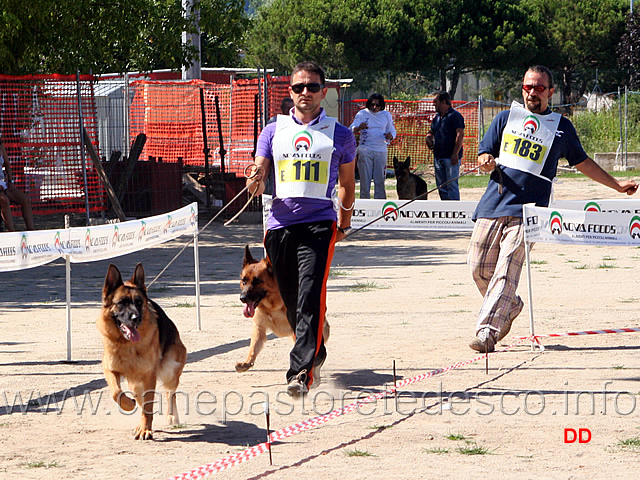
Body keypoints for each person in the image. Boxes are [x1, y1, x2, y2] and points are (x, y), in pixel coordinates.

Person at [468, 65, 638, 353]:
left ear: (551, 92)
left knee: (507, 268)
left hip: (531, 211)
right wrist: (485, 159)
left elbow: (583, 162)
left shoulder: (562, 127)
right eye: (527, 87)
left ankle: (487, 331)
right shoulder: (505, 118)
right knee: (478, 269)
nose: (532, 92)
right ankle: (511, 305)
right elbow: (486, 151)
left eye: (539, 88)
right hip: (493, 203)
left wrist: (617, 185)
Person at [248, 61, 356, 397]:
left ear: (324, 92)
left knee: (311, 294)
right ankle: (316, 354)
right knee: (293, 302)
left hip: (319, 225)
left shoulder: (341, 134)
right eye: (298, 87)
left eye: (312, 87)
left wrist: (345, 223)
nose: (305, 93)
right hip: (279, 226)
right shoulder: (272, 131)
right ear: (290, 92)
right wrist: (254, 177)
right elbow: (259, 174)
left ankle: (300, 373)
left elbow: (347, 185)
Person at [349, 93, 396, 199]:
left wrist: (391, 136)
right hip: (366, 149)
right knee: (365, 180)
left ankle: (380, 204)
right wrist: (358, 128)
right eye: (372, 104)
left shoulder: (386, 115)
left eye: (377, 105)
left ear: (382, 105)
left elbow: (392, 129)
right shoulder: (362, 114)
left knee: (380, 180)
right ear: (368, 104)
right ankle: (365, 203)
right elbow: (351, 128)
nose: (374, 107)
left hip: (381, 150)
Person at [426, 91, 465, 200]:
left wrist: (455, 154)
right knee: (441, 186)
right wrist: (428, 137)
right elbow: (432, 131)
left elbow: (460, 134)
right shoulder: (437, 118)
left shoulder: (455, 116)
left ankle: (454, 210)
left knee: (451, 185)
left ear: (443, 102)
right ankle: (445, 210)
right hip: (438, 157)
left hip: (450, 158)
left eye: (435, 102)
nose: (433, 104)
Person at [0, 141, 35, 231]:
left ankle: (31, 231)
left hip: (3, 182)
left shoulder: (0, 144)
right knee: (4, 201)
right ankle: (12, 233)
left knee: (25, 199)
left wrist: (10, 181)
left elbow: (7, 163)